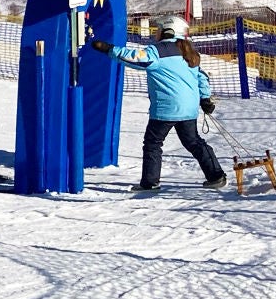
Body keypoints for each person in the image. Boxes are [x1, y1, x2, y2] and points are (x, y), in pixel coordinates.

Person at [92, 17, 225, 192]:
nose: (156, 32)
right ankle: (217, 175)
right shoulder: (188, 52)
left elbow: (136, 58)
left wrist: (109, 49)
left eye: (159, 29)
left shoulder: (158, 51)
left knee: (153, 143)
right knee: (194, 142)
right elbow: (201, 76)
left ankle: (150, 182)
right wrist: (205, 99)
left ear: (167, 30)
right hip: (188, 108)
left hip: (166, 109)